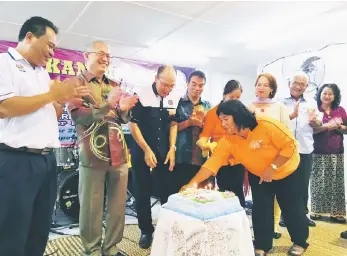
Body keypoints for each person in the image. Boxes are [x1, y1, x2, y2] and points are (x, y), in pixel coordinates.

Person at [0, 16, 89, 256]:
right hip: (16, 161)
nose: (52, 52)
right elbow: (5, 107)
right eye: (49, 45)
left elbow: (50, 112)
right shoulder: (3, 64)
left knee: (39, 230)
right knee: (12, 232)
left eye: (54, 48)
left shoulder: (41, 73)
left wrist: (62, 99)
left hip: (47, 161)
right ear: (29, 36)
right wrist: (52, 95)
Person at [182, 100, 309, 256]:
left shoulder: (266, 125)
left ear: (238, 116)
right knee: (261, 208)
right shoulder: (229, 139)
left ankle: (300, 241)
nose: (222, 124)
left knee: (292, 208)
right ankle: (263, 244)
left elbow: (290, 145)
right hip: (259, 174)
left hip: (287, 171)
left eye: (225, 119)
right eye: (220, 119)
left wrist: (273, 167)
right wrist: (191, 183)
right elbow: (212, 163)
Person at [67, 41, 138, 256]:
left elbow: (120, 118)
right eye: (100, 53)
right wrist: (108, 105)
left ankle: (111, 249)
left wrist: (124, 110)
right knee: (91, 209)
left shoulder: (114, 85)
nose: (105, 58)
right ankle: (92, 250)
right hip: (91, 156)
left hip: (119, 154)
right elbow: (79, 115)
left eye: (108, 55)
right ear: (86, 55)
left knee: (117, 209)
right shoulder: (76, 83)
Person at [129, 65, 178, 249]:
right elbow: (133, 125)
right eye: (165, 84)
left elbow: (174, 123)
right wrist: (146, 150)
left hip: (164, 151)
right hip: (142, 150)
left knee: (167, 191)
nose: (168, 89)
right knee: (141, 191)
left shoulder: (174, 96)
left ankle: (166, 230)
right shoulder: (140, 94)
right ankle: (146, 231)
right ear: (155, 78)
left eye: (171, 86)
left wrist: (172, 147)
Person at [248, 73, 291, 239]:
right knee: (260, 198)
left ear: (272, 88)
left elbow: (287, 131)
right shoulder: (250, 107)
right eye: (259, 84)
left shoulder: (279, 107)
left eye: (266, 85)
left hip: (276, 159)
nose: (261, 87)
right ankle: (260, 232)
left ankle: (273, 227)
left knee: (276, 195)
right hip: (256, 159)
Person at [280, 72, 322, 229]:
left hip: (305, 149)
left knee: (303, 184)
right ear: (289, 82)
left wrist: (316, 121)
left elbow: (317, 124)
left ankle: (303, 215)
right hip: (285, 150)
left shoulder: (311, 104)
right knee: (286, 184)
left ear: (306, 86)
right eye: (295, 82)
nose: (298, 86)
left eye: (302, 84)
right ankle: (285, 215)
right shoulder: (279, 103)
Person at [197, 80, 246, 207]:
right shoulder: (213, 113)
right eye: (231, 97)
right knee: (223, 192)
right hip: (220, 159)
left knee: (238, 191)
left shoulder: (242, 112)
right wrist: (203, 143)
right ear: (224, 94)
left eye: (238, 98)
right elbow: (205, 134)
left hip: (238, 158)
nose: (234, 100)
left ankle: (240, 221)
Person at [310, 83, 347, 224]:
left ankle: (336, 212)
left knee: (336, 182)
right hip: (317, 151)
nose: (327, 96)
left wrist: (339, 126)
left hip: (337, 151)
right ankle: (317, 210)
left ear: (335, 96)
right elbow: (311, 131)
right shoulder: (314, 110)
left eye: (330, 93)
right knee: (318, 182)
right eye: (324, 93)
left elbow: (346, 129)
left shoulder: (340, 110)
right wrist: (327, 126)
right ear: (320, 94)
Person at [173, 70, 212, 191]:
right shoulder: (177, 104)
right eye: (194, 84)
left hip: (201, 158)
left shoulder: (208, 106)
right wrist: (189, 123)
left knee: (200, 197)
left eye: (201, 85)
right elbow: (170, 128)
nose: (197, 88)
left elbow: (211, 130)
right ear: (187, 84)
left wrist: (203, 124)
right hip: (181, 157)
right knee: (180, 194)